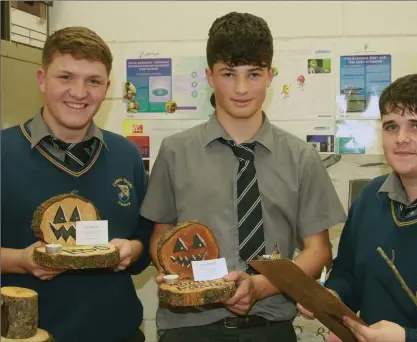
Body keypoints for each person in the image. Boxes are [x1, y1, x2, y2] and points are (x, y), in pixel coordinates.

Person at [140, 11, 346, 342]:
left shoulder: (300, 157)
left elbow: (319, 251)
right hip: (190, 328)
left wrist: (264, 286)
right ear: (209, 76)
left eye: (253, 74)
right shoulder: (176, 152)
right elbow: (160, 238)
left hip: (271, 327)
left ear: (270, 75)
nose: (241, 88)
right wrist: (179, 276)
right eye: (228, 74)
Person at [298, 73, 417, 342]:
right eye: (391, 126)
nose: (401, 138)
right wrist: (332, 296)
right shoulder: (370, 197)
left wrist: (410, 338)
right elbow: (348, 274)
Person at [1, 26, 152, 342]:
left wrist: (132, 249)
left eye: (93, 81)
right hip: (27, 335)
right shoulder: (4, 152)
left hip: (119, 333)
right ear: (42, 79)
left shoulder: (126, 155)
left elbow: (145, 236)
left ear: (106, 87)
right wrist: (20, 261)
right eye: (66, 77)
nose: (80, 92)